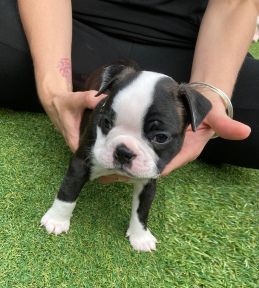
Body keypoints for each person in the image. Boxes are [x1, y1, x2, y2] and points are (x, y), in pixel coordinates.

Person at [1, 0, 258, 184]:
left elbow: (235, 4)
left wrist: (209, 92)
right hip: (70, 24)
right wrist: (54, 90)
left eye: (158, 136)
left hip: (189, 44)